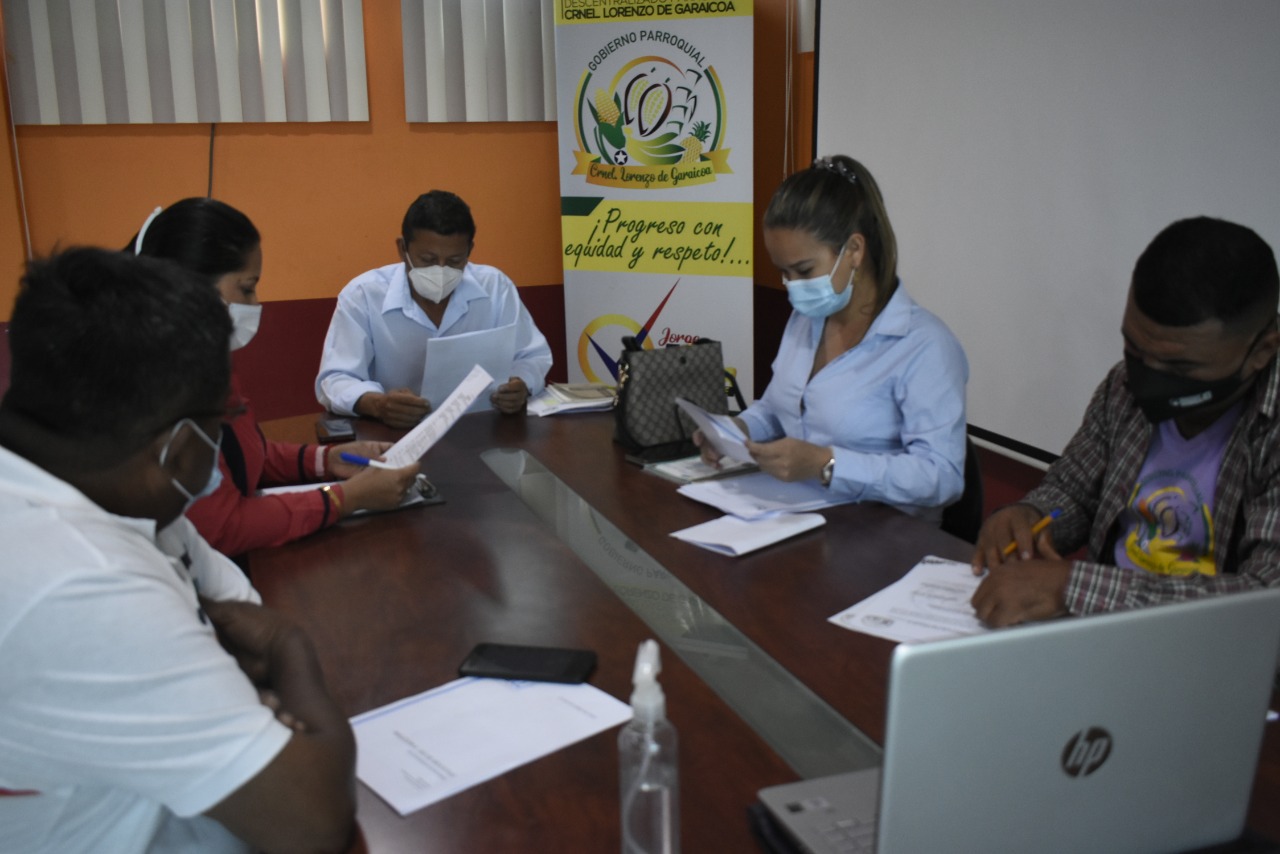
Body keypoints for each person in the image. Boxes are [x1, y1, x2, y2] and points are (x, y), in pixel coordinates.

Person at [0, 248, 355, 853]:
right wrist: (288, 645)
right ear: (178, 446)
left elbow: (233, 603)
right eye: (223, 422)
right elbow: (313, 823)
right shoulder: (79, 583)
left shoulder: (109, 491)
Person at [970, 217, 1280, 627]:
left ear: (1262, 350)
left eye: (1179, 368)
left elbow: (1265, 600)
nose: (1146, 380)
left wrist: (1073, 589)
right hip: (1102, 634)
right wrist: (1028, 516)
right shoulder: (1123, 386)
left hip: (1211, 652)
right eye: (1133, 349)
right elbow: (1073, 491)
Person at [131, 198, 420, 561]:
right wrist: (347, 498)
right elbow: (222, 527)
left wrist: (327, 460)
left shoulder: (209, 363)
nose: (255, 303)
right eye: (246, 288)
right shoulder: (162, 390)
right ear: (190, 289)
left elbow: (245, 456)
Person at [697, 155, 968, 521]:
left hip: (879, 533)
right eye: (783, 272)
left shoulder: (924, 345)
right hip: (794, 517)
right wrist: (738, 429)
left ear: (854, 251)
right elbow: (779, 409)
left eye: (804, 270)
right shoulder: (805, 320)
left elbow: (942, 476)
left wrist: (828, 464)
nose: (792, 286)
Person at [315, 190, 553, 426]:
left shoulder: (495, 288)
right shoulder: (363, 295)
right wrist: (378, 404)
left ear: (470, 250)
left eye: (454, 261)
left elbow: (532, 356)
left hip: (483, 428)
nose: (440, 270)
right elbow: (336, 378)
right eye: (427, 260)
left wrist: (521, 385)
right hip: (394, 434)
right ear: (402, 249)